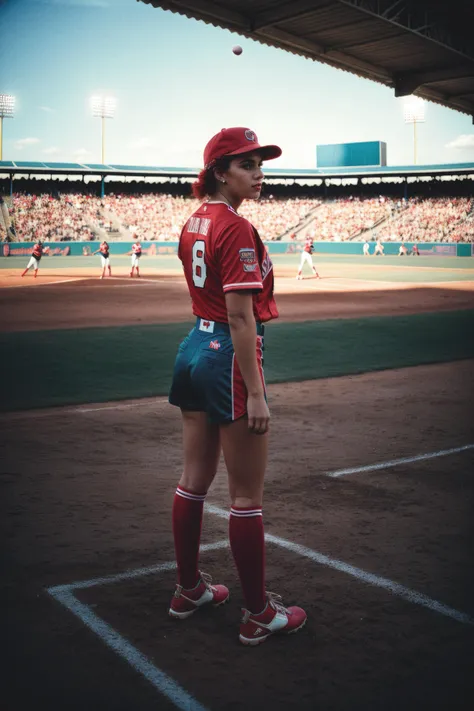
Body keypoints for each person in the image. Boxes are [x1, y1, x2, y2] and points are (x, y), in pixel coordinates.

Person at [168, 127, 307, 646]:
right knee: (246, 494)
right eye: (247, 164)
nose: (258, 173)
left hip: (192, 350)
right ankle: (257, 614)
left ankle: (189, 589)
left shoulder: (194, 219)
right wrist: (256, 392)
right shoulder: (235, 226)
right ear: (220, 172)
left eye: (259, 163)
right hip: (228, 354)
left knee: (193, 480)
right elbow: (241, 318)